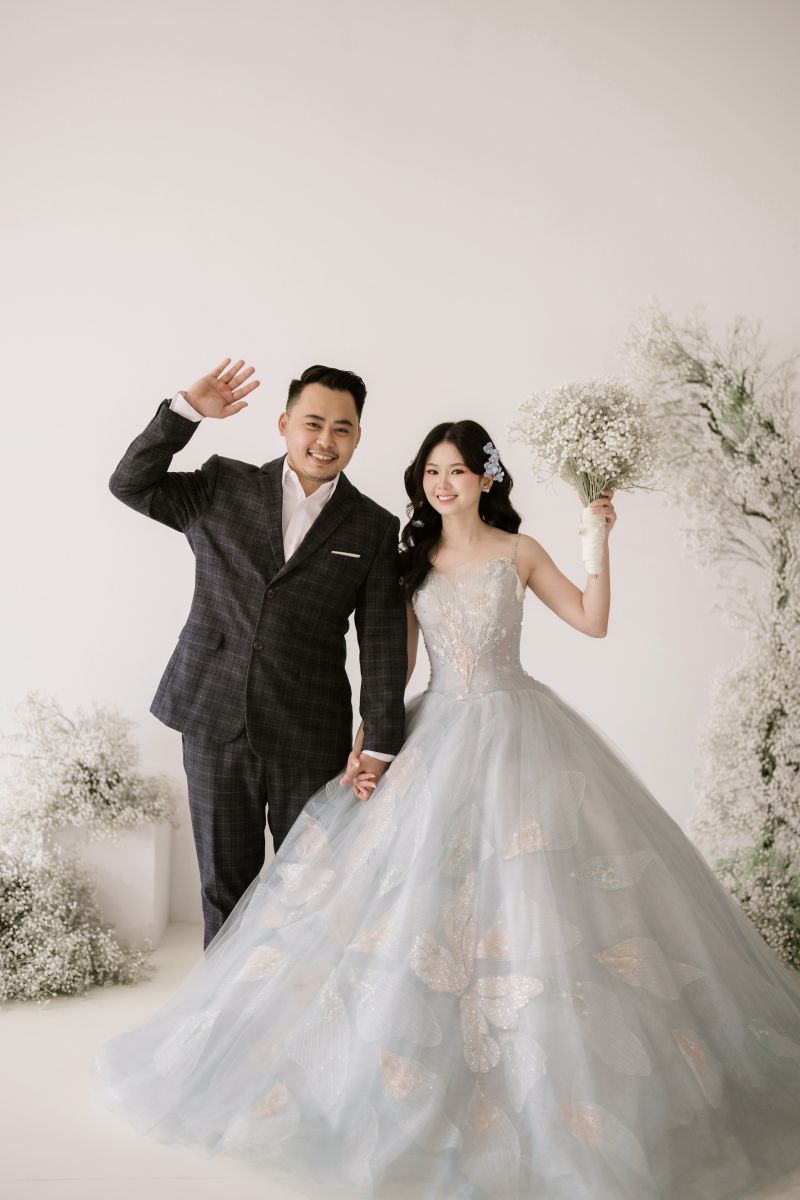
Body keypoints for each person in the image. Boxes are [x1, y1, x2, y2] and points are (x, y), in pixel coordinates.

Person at [96, 420, 800, 1200]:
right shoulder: (410, 561)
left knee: (536, 895)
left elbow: (592, 620)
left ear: (487, 478)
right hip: (436, 732)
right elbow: (392, 669)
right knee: (404, 900)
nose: (442, 484)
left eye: (458, 471)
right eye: (431, 472)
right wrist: (368, 748)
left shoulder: (518, 551)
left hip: (519, 731)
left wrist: (597, 538)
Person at [108, 358, 407, 946]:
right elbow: (130, 484)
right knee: (224, 888)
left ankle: (297, 1002)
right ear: (284, 423)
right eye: (313, 423)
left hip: (310, 729)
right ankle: (222, 1005)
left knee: (310, 889)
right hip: (213, 714)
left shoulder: (373, 526)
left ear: (358, 437)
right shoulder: (223, 485)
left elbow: (381, 642)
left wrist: (379, 744)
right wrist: (185, 412)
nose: (325, 440)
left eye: (341, 429)